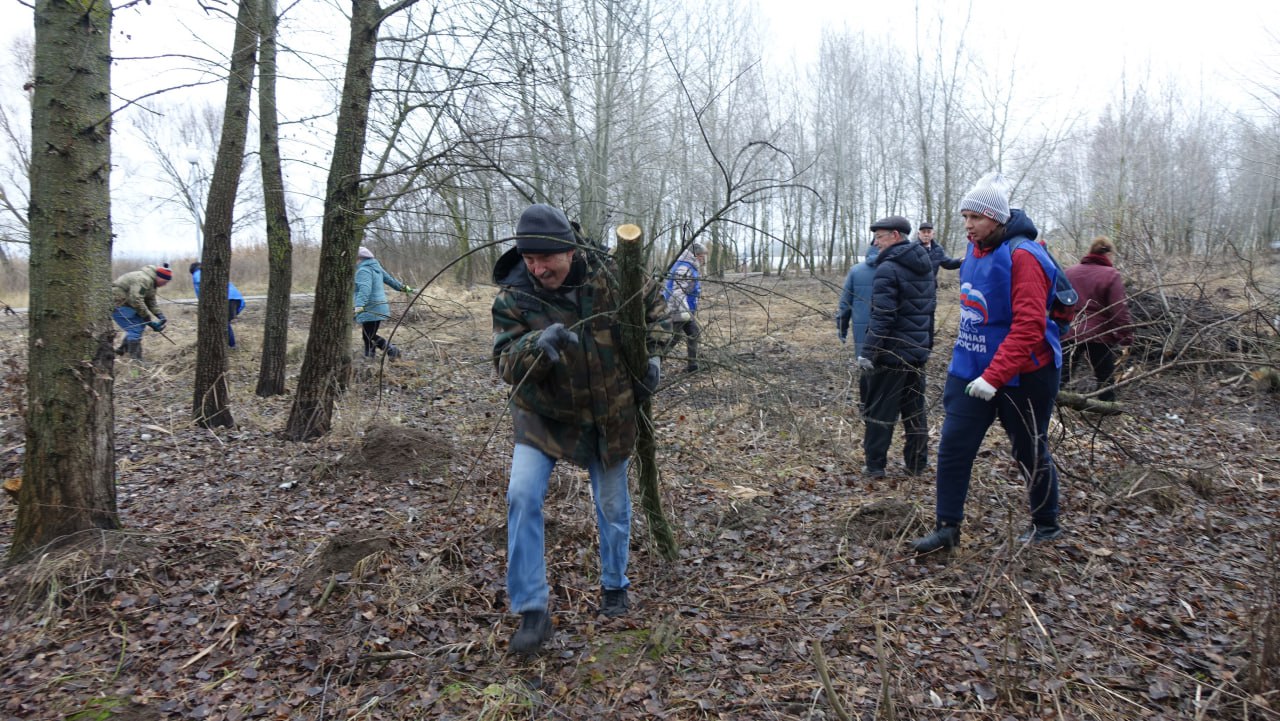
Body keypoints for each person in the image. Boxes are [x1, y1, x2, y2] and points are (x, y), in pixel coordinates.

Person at [492, 203, 668, 655]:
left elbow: (659, 315)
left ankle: (615, 585)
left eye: (545, 258)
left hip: (608, 415)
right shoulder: (514, 296)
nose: (537, 267)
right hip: (542, 416)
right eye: (529, 258)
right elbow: (504, 363)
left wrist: (653, 357)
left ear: (569, 250)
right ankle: (533, 609)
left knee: (612, 505)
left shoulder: (614, 276)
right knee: (521, 495)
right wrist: (536, 343)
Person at [912, 172, 1065, 553]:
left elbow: (1029, 326)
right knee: (953, 447)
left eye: (975, 218)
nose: (967, 226)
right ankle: (947, 528)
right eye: (964, 217)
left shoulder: (1023, 256)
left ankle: (1046, 524)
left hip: (1026, 375)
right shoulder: (972, 253)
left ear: (996, 218)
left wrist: (994, 377)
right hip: (970, 370)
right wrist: (973, 372)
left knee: (1028, 448)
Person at [858, 216, 936, 479]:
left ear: (895, 235)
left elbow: (883, 315)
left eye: (879, 237)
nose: (875, 243)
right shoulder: (924, 265)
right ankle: (917, 464)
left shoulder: (888, 269)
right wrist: (926, 345)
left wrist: (868, 352)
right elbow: (929, 311)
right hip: (916, 352)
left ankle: (875, 466)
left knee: (880, 411)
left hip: (891, 354)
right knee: (914, 410)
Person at [1063, 236, 1133, 402]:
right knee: (1105, 377)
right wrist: (1126, 337)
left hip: (1069, 331)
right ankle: (1106, 410)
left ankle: (1046, 406)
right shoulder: (1111, 275)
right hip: (1098, 335)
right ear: (1108, 254)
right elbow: (1119, 309)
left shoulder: (1069, 272)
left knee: (1061, 375)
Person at [836, 244, 880, 410]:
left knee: (866, 366)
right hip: (890, 329)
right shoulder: (897, 268)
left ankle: (865, 405)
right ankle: (884, 407)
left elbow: (845, 303)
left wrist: (842, 327)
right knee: (888, 368)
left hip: (863, 329)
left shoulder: (856, 271)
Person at [354, 246, 413, 359]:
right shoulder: (377, 268)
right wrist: (405, 288)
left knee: (368, 336)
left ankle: (390, 349)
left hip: (370, 308)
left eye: (356, 259)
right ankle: (370, 358)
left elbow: (365, 290)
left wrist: (359, 306)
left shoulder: (363, 271)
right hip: (380, 307)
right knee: (368, 336)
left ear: (360, 258)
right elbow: (391, 281)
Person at [111, 263, 172, 360]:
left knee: (140, 325)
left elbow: (150, 300)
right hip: (118, 303)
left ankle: (122, 349)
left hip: (126, 304)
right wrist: (147, 318)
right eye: (165, 282)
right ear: (159, 277)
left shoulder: (151, 283)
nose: (165, 284)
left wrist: (160, 315)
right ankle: (136, 360)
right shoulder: (144, 279)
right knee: (135, 329)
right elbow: (135, 299)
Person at [664, 242, 707, 372]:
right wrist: (684, 310)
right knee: (673, 338)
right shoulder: (684, 267)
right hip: (678, 308)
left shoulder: (689, 265)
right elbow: (677, 291)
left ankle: (692, 366)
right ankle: (652, 363)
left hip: (684, 308)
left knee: (693, 332)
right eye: (703, 256)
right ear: (697, 255)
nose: (704, 259)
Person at [190, 262, 246, 348]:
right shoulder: (212, 270)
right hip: (236, 298)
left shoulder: (197, 274)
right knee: (223, 322)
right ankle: (227, 344)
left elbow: (200, 291)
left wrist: (203, 303)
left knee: (223, 322)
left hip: (226, 298)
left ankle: (231, 345)